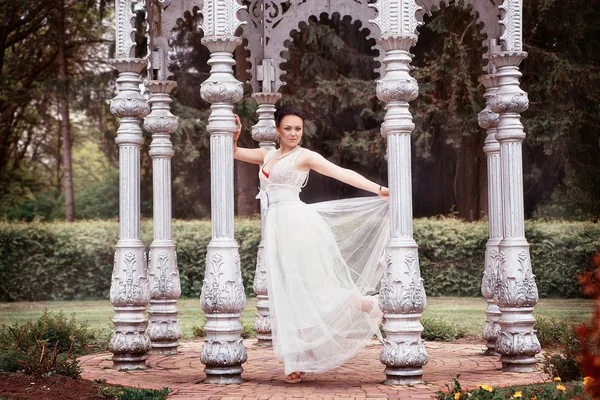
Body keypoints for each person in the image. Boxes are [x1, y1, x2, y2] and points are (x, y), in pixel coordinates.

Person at [233, 106, 390, 383]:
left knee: (313, 288)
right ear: (278, 130)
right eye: (289, 128)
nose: (294, 133)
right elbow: (233, 153)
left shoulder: (305, 156)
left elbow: (341, 173)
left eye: (298, 129)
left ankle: (369, 306)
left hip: (297, 224)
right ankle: (299, 357)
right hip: (277, 228)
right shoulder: (266, 155)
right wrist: (234, 137)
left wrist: (378, 189)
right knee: (288, 293)